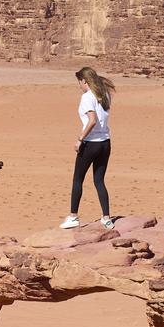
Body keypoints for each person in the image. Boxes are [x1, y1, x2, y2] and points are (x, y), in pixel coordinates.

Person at [60, 67, 116, 230]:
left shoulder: (87, 97)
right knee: (99, 180)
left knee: (78, 179)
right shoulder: (104, 94)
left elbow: (92, 120)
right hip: (105, 143)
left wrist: (80, 139)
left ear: (84, 80)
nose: (79, 85)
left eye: (79, 82)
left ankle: (73, 217)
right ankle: (106, 218)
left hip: (91, 144)